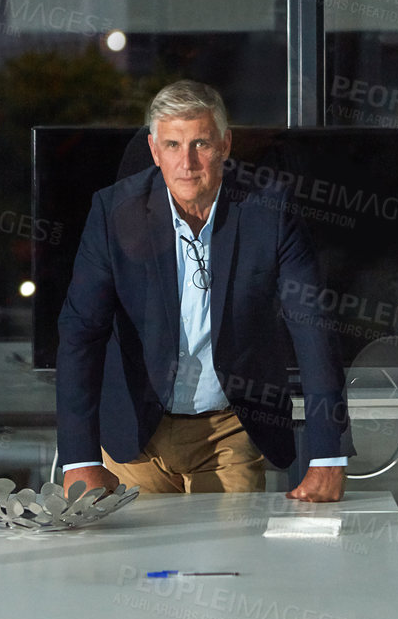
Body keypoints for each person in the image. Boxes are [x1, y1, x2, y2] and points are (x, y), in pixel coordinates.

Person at [56, 81, 351, 501]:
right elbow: (79, 333)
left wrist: (327, 456)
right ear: (155, 151)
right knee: (138, 567)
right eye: (173, 145)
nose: (187, 163)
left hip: (228, 431)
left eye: (201, 144)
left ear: (226, 145)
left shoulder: (269, 210)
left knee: (233, 562)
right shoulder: (113, 212)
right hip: (134, 436)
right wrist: (79, 459)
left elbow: (314, 330)